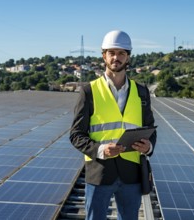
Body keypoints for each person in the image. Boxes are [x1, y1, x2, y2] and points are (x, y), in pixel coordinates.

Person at [70, 30, 157, 220]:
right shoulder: (89, 91)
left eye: (121, 53)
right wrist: (101, 150)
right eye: (111, 53)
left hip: (131, 174)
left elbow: (151, 129)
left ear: (128, 57)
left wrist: (148, 147)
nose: (116, 58)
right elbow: (76, 135)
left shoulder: (142, 92)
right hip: (100, 172)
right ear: (104, 56)